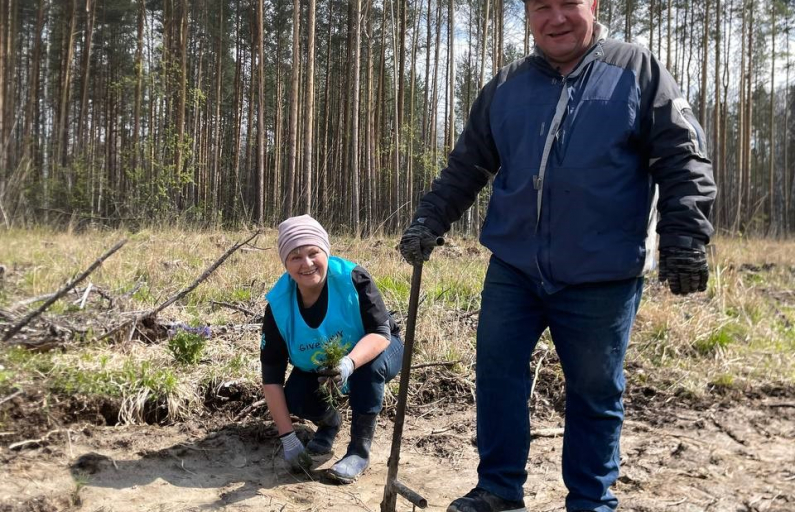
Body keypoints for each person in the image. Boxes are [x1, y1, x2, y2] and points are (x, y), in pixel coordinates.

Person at [399, 0, 716, 510]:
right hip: (515, 268)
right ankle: (499, 488)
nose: (557, 18)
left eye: (569, 3)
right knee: (497, 373)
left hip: (601, 274)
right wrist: (430, 219)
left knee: (594, 391)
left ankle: (591, 501)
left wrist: (685, 236)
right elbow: (467, 166)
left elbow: (682, 157)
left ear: (593, 6)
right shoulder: (507, 86)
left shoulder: (637, 70)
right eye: (542, 6)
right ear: (528, 15)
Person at [260, 214, 403, 483]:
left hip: (380, 351)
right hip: (321, 368)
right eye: (295, 257)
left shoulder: (353, 278)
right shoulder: (278, 306)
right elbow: (271, 377)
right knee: (296, 394)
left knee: (367, 368)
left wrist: (349, 362)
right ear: (285, 263)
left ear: (325, 251)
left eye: (313, 253)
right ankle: (329, 423)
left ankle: (358, 452)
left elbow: (381, 334)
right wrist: (288, 438)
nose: (307, 264)